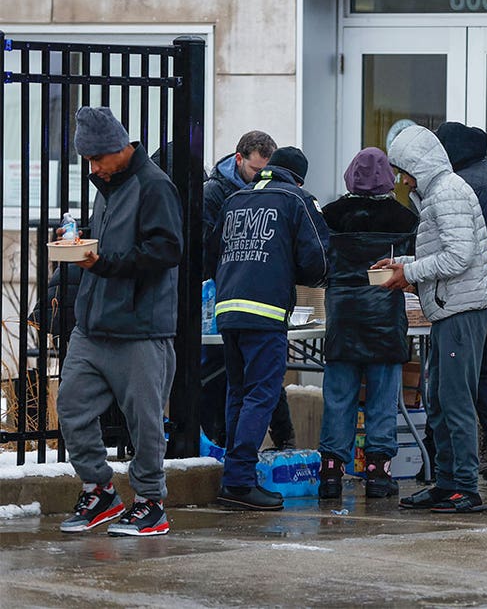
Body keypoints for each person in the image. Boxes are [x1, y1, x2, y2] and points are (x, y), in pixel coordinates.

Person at [57, 107, 182, 536]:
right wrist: (78, 248)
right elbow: (107, 248)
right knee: (71, 405)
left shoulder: (155, 187)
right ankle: (100, 491)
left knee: (144, 422)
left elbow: (167, 250)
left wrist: (104, 263)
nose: (93, 168)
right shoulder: (106, 186)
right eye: (88, 161)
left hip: (140, 328)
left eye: (97, 159)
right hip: (93, 325)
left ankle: (150, 503)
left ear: (118, 148)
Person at [376, 125, 487, 513]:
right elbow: (448, 253)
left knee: (455, 400)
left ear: (419, 164)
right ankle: (447, 482)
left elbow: (459, 256)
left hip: (462, 309)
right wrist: (403, 264)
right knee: (440, 399)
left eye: (403, 168)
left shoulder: (446, 193)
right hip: (451, 307)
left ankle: (465, 486)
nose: (400, 178)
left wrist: (408, 274)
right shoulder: (439, 193)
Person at [211, 147, 330, 511]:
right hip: (265, 311)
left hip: (227, 308)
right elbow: (318, 260)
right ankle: (239, 481)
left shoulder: (234, 199)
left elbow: (212, 248)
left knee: (237, 392)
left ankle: (234, 474)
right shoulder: (298, 200)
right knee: (262, 393)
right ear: (297, 178)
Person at [317, 148, 418, 500]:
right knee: (382, 398)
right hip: (384, 318)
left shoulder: (330, 215)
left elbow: (318, 265)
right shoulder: (404, 219)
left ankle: (330, 472)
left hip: (343, 316)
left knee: (339, 397)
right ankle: (378, 472)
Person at [199, 131, 296, 452]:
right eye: (256, 171)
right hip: (226, 298)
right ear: (238, 160)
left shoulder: (264, 193)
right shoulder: (216, 193)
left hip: (248, 302)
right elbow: (208, 250)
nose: (261, 178)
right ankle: (232, 452)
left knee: (256, 382)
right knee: (244, 384)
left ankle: (278, 443)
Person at [435, 121, 487, 479]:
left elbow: (457, 250)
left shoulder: (457, 185)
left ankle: (455, 466)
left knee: (464, 383)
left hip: (467, 294)